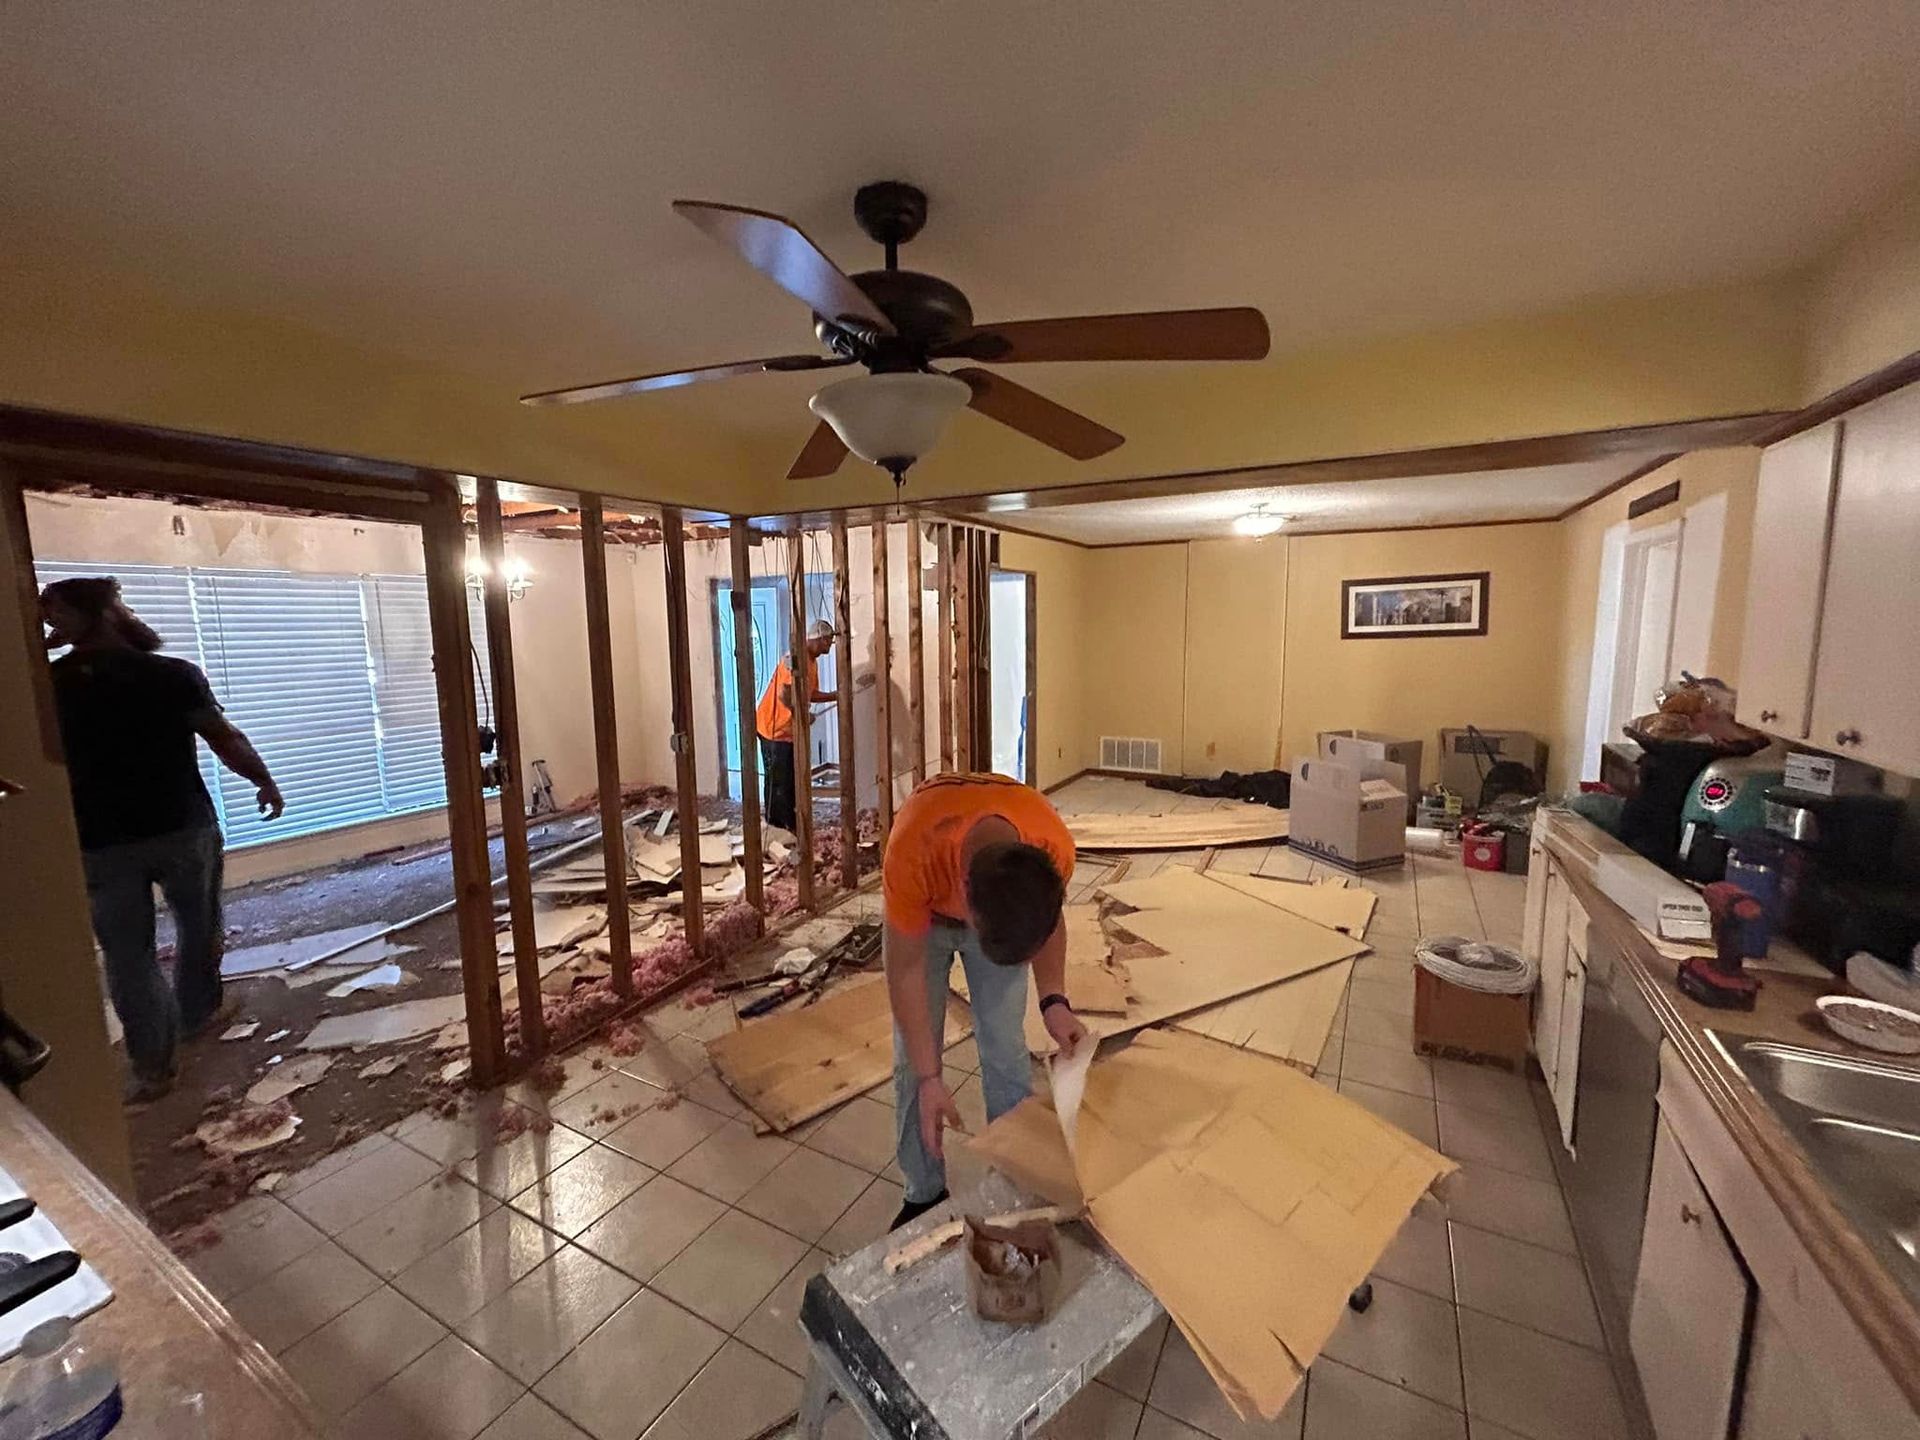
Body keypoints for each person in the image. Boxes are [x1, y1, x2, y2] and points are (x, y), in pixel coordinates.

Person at [40, 577, 284, 1103]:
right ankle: (196, 1015)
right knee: (197, 927)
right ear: (111, 612)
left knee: (128, 955)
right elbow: (224, 738)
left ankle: (154, 1067)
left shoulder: (52, 684)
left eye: (54, 616)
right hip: (180, 827)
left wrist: (44, 653)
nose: (50, 625)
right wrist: (263, 780)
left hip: (101, 839)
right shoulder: (169, 675)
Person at [882, 771, 1086, 1229]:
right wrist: (930, 1077)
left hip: (987, 896)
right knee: (912, 1064)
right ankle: (923, 1194)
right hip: (925, 916)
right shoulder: (914, 850)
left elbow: (1048, 922)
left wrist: (1054, 1001)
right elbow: (905, 970)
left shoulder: (1052, 845)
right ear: (963, 894)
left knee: (1005, 1049)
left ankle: (1013, 1180)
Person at [753, 619, 840, 833]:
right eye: (828, 641)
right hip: (773, 729)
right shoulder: (795, 659)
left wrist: (835, 696)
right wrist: (802, 715)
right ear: (819, 639)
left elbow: (810, 694)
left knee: (790, 779)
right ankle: (776, 827)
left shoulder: (812, 662)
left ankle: (790, 825)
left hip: (789, 731)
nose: (829, 646)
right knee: (778, 781)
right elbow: (784, 694)